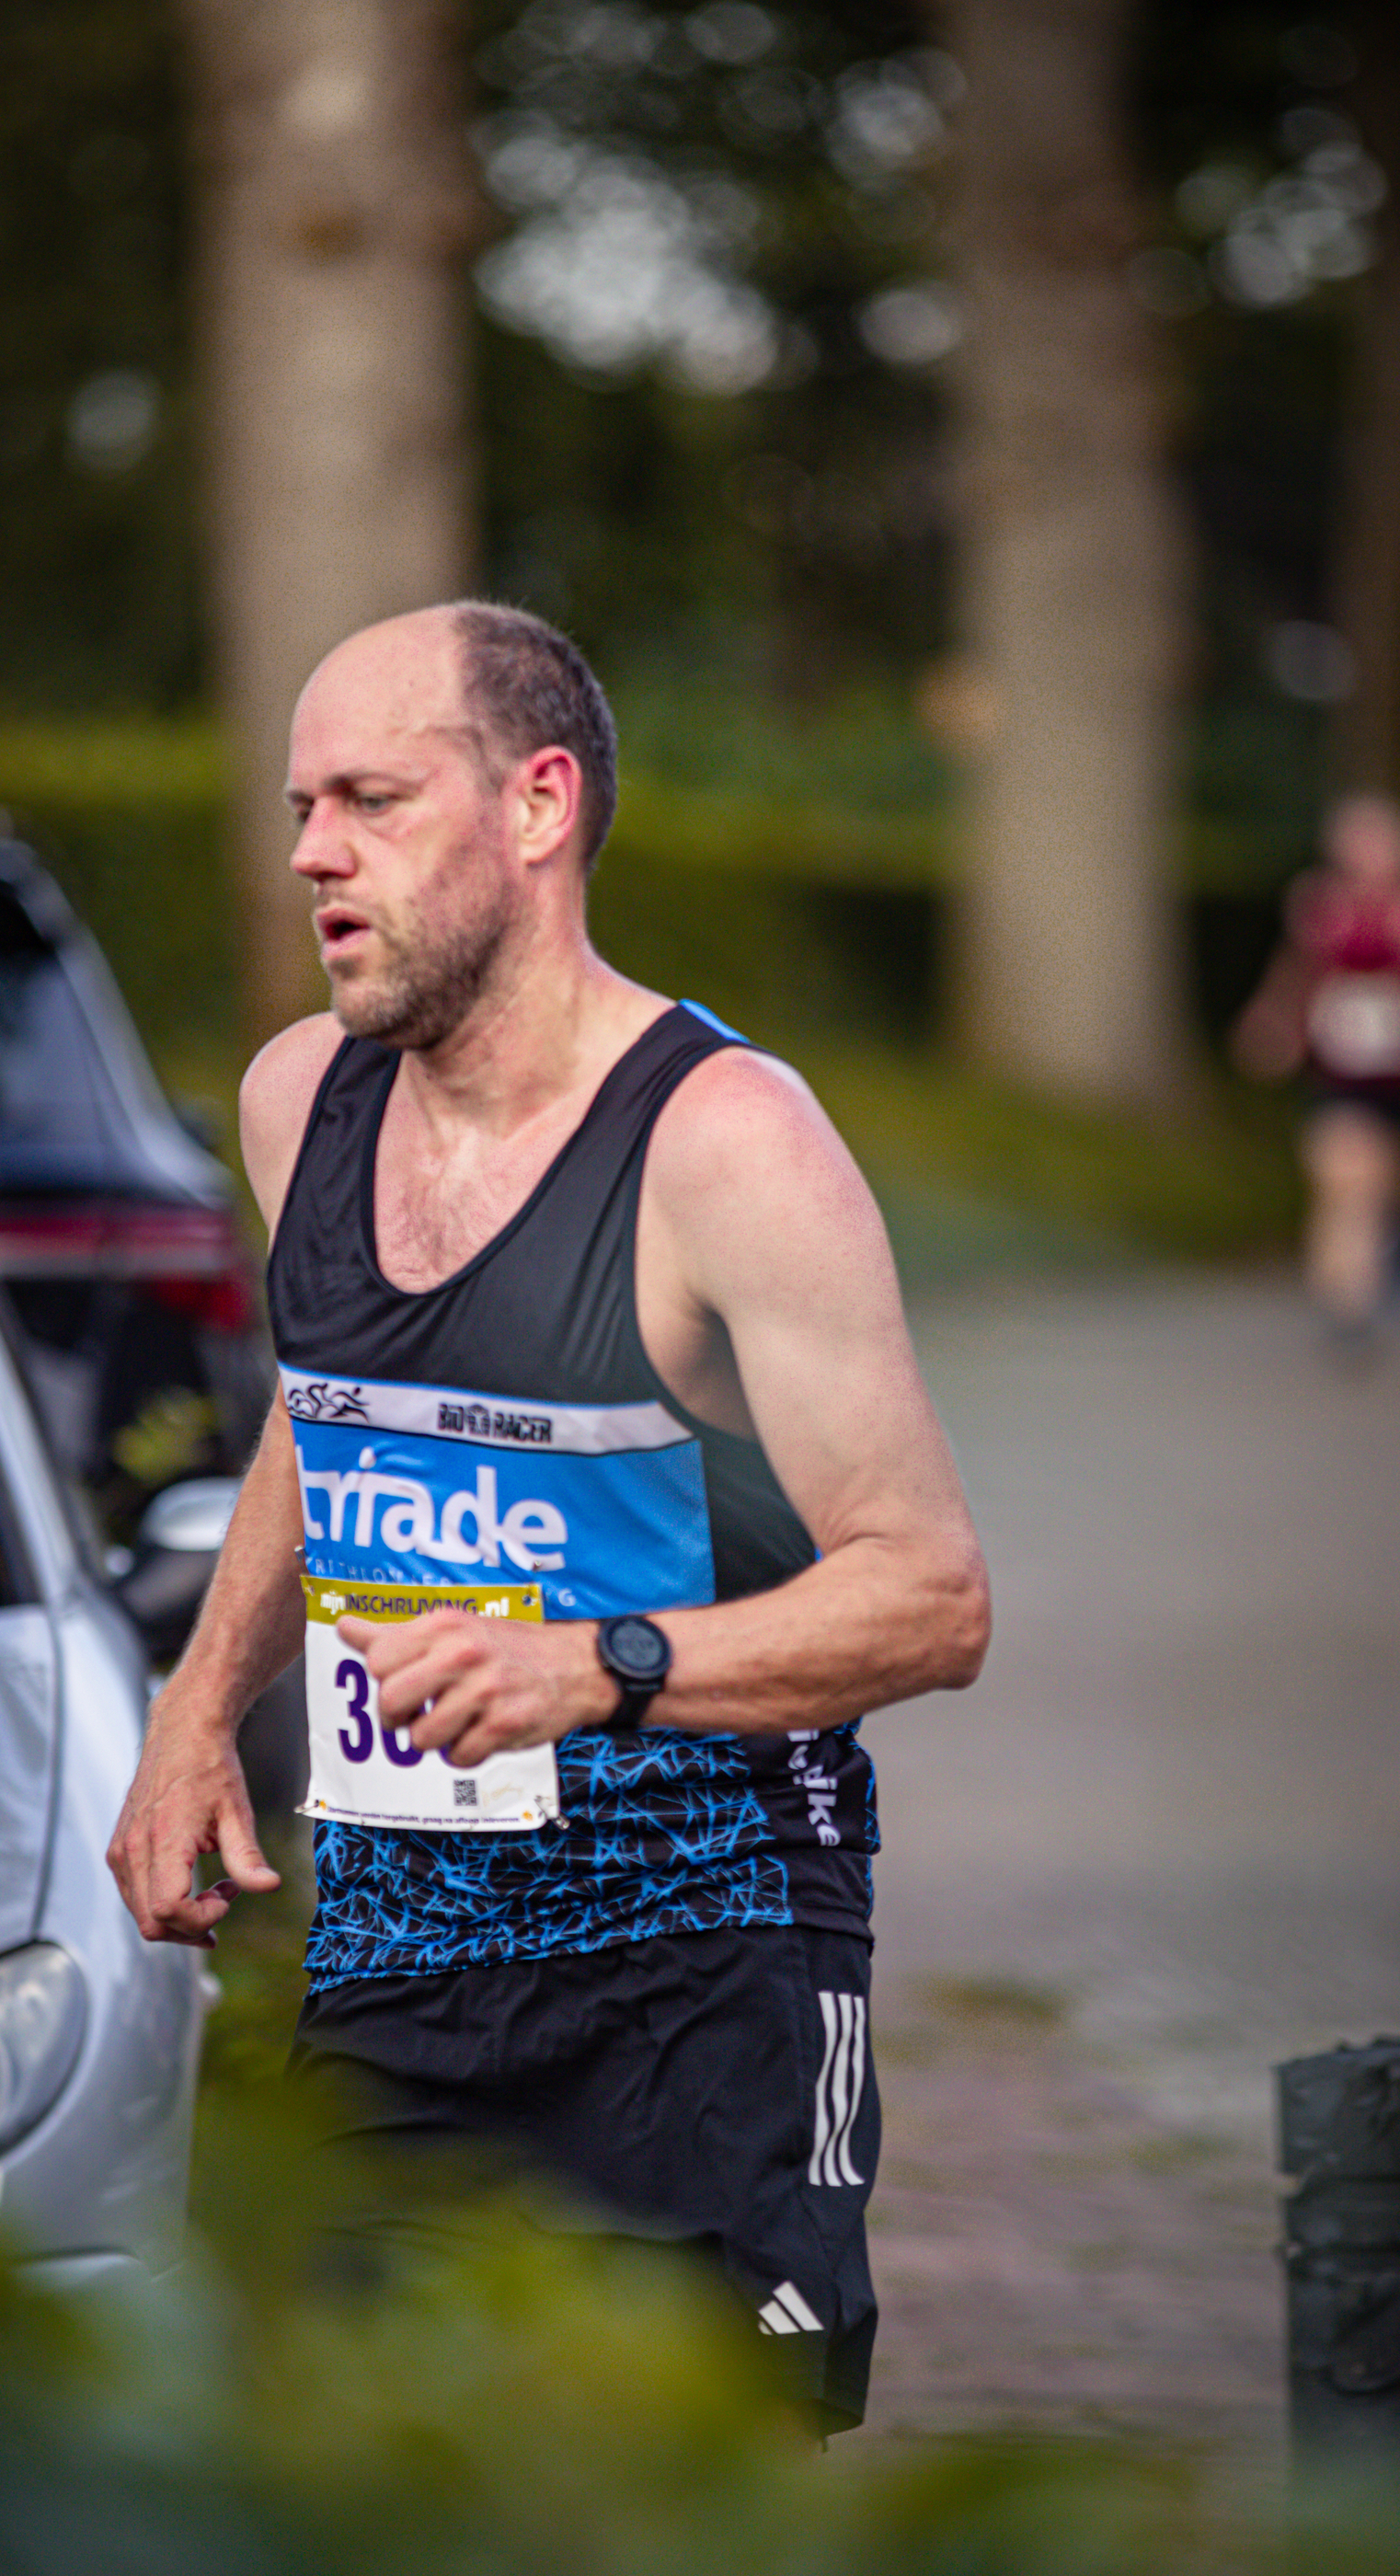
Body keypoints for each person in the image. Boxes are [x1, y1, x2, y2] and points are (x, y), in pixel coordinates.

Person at [108, 603, 991, 2432]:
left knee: (670, 2532)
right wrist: (195, 1709)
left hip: (704, 1973)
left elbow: (929, 1598)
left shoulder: (725, 1147)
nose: (311, 853)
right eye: (299, 807)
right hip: (396, 1960)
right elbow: (328, 1417)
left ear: (536, 805)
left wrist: (594, 1667)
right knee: (327, 2494)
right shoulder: (298, 1105)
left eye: (371, 800)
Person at [1232, 791, 1400, 1343]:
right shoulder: (1318, 907)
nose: (1369, 858)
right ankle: (1347, 1299)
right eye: (1357, 845)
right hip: (1343, 1075)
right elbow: (1295, 976)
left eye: (1380, 844)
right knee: (1344, 1176)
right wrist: (1272, 1026)